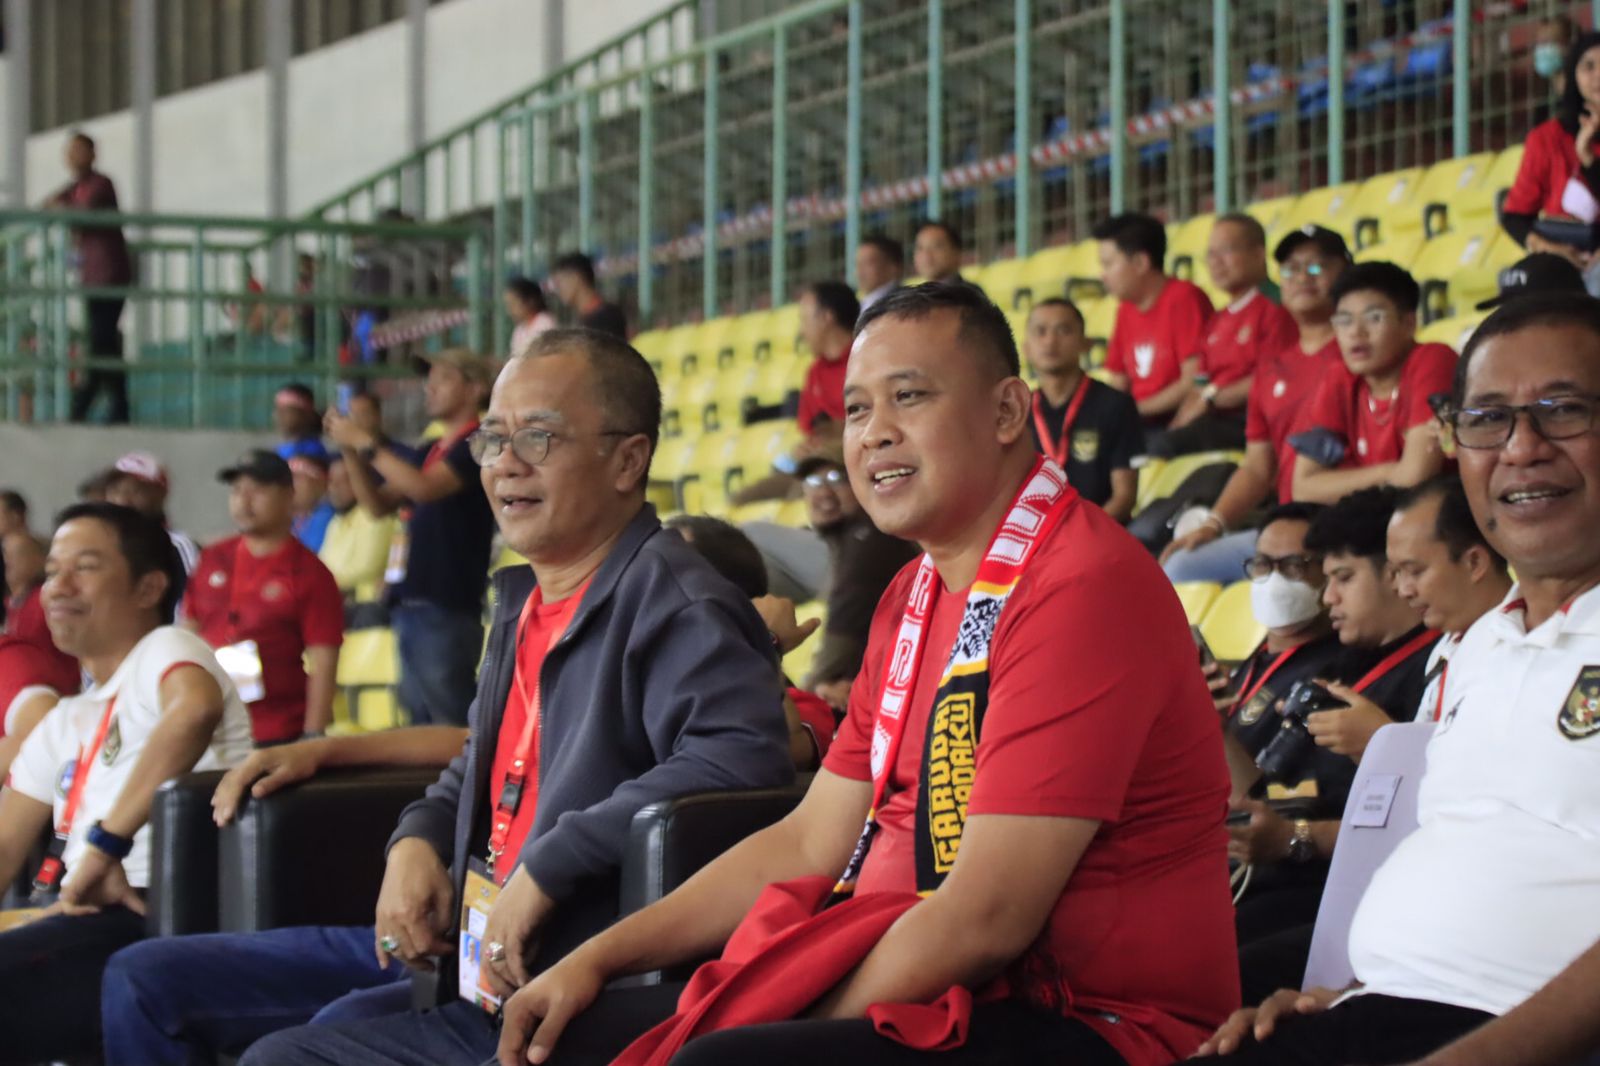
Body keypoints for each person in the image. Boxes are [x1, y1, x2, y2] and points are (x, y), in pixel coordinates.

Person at [491, 281, 1237, 1066]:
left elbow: (986, 921)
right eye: (854, 411)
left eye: (907, 398)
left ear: (1008, 412)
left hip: (1092, 1021)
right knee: (566, 1035)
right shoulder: (910, 596)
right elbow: (810, 839)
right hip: (915, 962)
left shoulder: (1079, 585)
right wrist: (597, 959)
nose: (874, 435)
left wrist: (791, 1030)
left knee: (718, 1061)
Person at [129, 328, 794, 1066]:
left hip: (573, 994)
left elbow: (739, 758)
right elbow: (483, 759)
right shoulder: (526, 603)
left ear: (627, 459)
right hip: (477, 969)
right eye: (493, 439)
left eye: (539, 437)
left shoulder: (676, 602)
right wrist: (416, 835)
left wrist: (550, 863)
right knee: (185, 992)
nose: (506, 464)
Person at [1195, 290, 1600, 1066]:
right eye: (1486, 420)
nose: (1520, 447)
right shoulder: (1484, 647)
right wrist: (1342, 995)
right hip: (1381, 1012)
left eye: (1562, 409)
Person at [0, 503, 253, 1064]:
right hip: (74, 915)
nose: (58, 586)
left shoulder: (166, 649)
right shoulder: (65, 718)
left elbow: (192, 712)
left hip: (157, 912)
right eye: (50, 571)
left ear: (148, 588)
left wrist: (103, 846)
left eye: (84, 567)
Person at [1225, 489, 1438, 1002]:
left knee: (1223, 969)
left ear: (1395, 575)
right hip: (1272, 876)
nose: (1327, 598)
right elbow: (1255, 790)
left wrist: (1297, 837)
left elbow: (1424, 823)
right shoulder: (1340, 667)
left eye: (1342, 578)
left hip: (1336, 893)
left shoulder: (1431, 672)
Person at [1163, 226, 1351, 582]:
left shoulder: (1358, 355)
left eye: (1316, 267)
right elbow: (1257, 467)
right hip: (1284, 527)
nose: (1302, 278)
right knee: (1180, 568)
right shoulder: (1270, 369)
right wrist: (1213, 524)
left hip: (1343, 525)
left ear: (1345, 272)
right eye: (1292, 269)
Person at [325, 350, 497, 726]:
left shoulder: (481, 441)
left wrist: (367, 443)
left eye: (444, 378)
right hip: (411, 600)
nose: (429, 387)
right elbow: (374, 505)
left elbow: (423, 489)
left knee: (448, 719)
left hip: (447, 601)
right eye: (429, 379)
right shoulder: (429, 449)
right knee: (418, 716)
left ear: (475, 388)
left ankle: (463, 786)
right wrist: (350, 450)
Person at [184, 450, 345, 745]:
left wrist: (313, 734)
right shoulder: (212, 557)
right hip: (208, 725)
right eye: (236, 491)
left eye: (257, 491)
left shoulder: (309, 572)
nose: (243, 501)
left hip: (276, 731)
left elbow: (324, 660)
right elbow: (189, 629)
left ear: (288, 497)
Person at [1290, 262, 1456, 504]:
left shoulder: (1433, 359)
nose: (1356, 332)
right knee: (1280, 533)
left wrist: (1348, 483)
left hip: (1438, 514)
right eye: (1344, 321)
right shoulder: (1341, 377)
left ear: (1409, 323)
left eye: (1374, 318)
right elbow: (1304, 487)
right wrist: (1387, 473)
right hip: (1376, 511)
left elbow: (1415, 479)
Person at [788, 444, 918, 709]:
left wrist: (811, 699)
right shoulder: (853, 537)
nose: (823, 492)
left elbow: (842, 636)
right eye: (813, 481)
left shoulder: (869, 541)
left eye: (836, 479)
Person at [1161, 215, 1298, 455]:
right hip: (1213, 417)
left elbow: (1272, 379)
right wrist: (1179, 422)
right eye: (1211, 255)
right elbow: (1199, 383)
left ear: (1258, 254)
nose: (1216, 263)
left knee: (1167, 445)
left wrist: (1211, 399)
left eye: (1226, 251)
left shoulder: (1277, 307)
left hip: (1251, 419)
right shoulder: (1217, 319)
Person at [1387, 476, 1513, 725]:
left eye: (1415, 571)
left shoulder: (1519, 647)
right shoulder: (1446, 646)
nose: (1404, 590)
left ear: (1474, 562)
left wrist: (1373, 735)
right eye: (1397, 572)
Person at [1022, 296, 1144, 520]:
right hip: (1037, 540)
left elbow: (1124, 497)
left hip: (1100, 534)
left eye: (1063, 330)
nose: (1050, 341)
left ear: (1085, 343)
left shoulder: (1115, 404)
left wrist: (1083, 537)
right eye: (1040, 332)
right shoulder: (1019, 413)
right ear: (1026, 348)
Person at [1096, 211, 1216, 431]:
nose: (1102, 275)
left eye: (1108, 264)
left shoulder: (1184, 298)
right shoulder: (1125, 309)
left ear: (1141, 262)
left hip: (1177, 420)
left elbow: (1193, 382)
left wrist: (1132, 411)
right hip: (1140, 421)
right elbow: (1118, 381)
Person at [45, 132, 133, 424]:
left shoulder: (100, 185)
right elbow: (48, 205)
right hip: (91, 279)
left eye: (79, 151)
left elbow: (83, 212)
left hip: (109, 275)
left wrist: (62, 209)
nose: (72, 157)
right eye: (69, 152)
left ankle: (82, 407)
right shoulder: (74, 188)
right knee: (104, 342)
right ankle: (118, 408)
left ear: (93, 154)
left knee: (101, 340)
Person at [1502, 30, 1600, 271]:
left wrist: (1588, 159)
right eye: (1589, 66)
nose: (1599, 74)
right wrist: (1553, 250)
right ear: (1573, 76)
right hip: (1563, 266)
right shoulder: (1546, 138)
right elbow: (1515, 218)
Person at [103, 452, 202, 579]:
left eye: (134, 491)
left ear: (161, 493)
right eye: (115, 491)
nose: (122, 500)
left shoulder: (178, 546)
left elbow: (193, 597)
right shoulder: (96, 545)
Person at [317, 456, 400, 606]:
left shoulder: (377, 515)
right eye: (331, 480)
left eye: (344, 480)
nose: (334, 486)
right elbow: (323, 563)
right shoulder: (337, 520)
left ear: (364, 480)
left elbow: (367, 568)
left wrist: (318, 581)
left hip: (370, 608)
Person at [550, 253, 627, 339]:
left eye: (559, 283)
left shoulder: (606, 317)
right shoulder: (585, 317)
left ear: (576, 278)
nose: (557, 289)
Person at [275, 384, 332, 464]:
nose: (278, 415)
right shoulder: (283, 449)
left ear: (308, 414)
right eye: (278, 410)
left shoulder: (312, 451)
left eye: (286, 411)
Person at [291, 455, 337, 553]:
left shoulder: (328, 515)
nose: (290, 485)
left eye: (297, 478)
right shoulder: (297, 517)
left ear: (319, 481)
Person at [506, 276, 557, 359]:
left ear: (530, 301)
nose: (510, 311)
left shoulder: (545, 323)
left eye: (513, 304)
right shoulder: (519, 330)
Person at [855, 234, 904, 314]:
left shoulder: (901, 303)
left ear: (893, 268)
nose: (859, 271)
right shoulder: (863, 303)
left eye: (868, 263)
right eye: (858, 264)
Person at [1534, 14, 1577, 101]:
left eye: (1548, 42)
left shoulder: (1585, 87)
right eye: (1540, 43)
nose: (1542, 49)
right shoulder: (1543, 95)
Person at [911, 219, 966, 284]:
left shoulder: (969, 293)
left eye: (936, 247)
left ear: (957, 253)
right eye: (920, 248)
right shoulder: (917, 292)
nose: (926, 255)